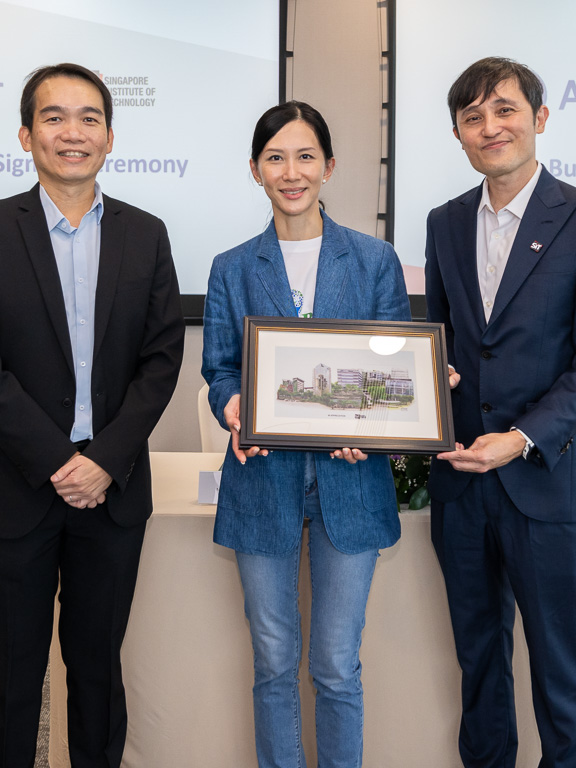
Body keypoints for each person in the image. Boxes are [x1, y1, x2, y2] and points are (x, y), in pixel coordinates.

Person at [0, 62, 185, 768]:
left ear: (109, 137)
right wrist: (57, 461)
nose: (72, 132)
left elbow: (161, 359)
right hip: (13, 485)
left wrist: (102, 460)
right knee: (12, 671)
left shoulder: (146, 234)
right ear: (26, 135)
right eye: (54, 117)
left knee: (98, 668)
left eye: (89, 118)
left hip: (112, 488)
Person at [424, 57, 576, 768]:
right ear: (458, 133)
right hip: (461, 481)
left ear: (538, 118)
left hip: (545, 478)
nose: (491, 127)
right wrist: (435, 378)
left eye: (505, 110)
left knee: (558, 666)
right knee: (478, 662)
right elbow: (443, 339)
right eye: (473, 116)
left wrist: (519, 438)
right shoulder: (445, 222)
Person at [201, 101, 408, 768]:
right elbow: (221, 369)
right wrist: (234, 406)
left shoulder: (374, 261)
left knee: (337, 665)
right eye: (276, 158)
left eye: (305, 156)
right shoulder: (232, 267)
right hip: (263, 482)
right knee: (272, 661)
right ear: (256, 170)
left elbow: (393, 372)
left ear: (329, 166)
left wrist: (371, 427)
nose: (291, 172)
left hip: (352, 481)